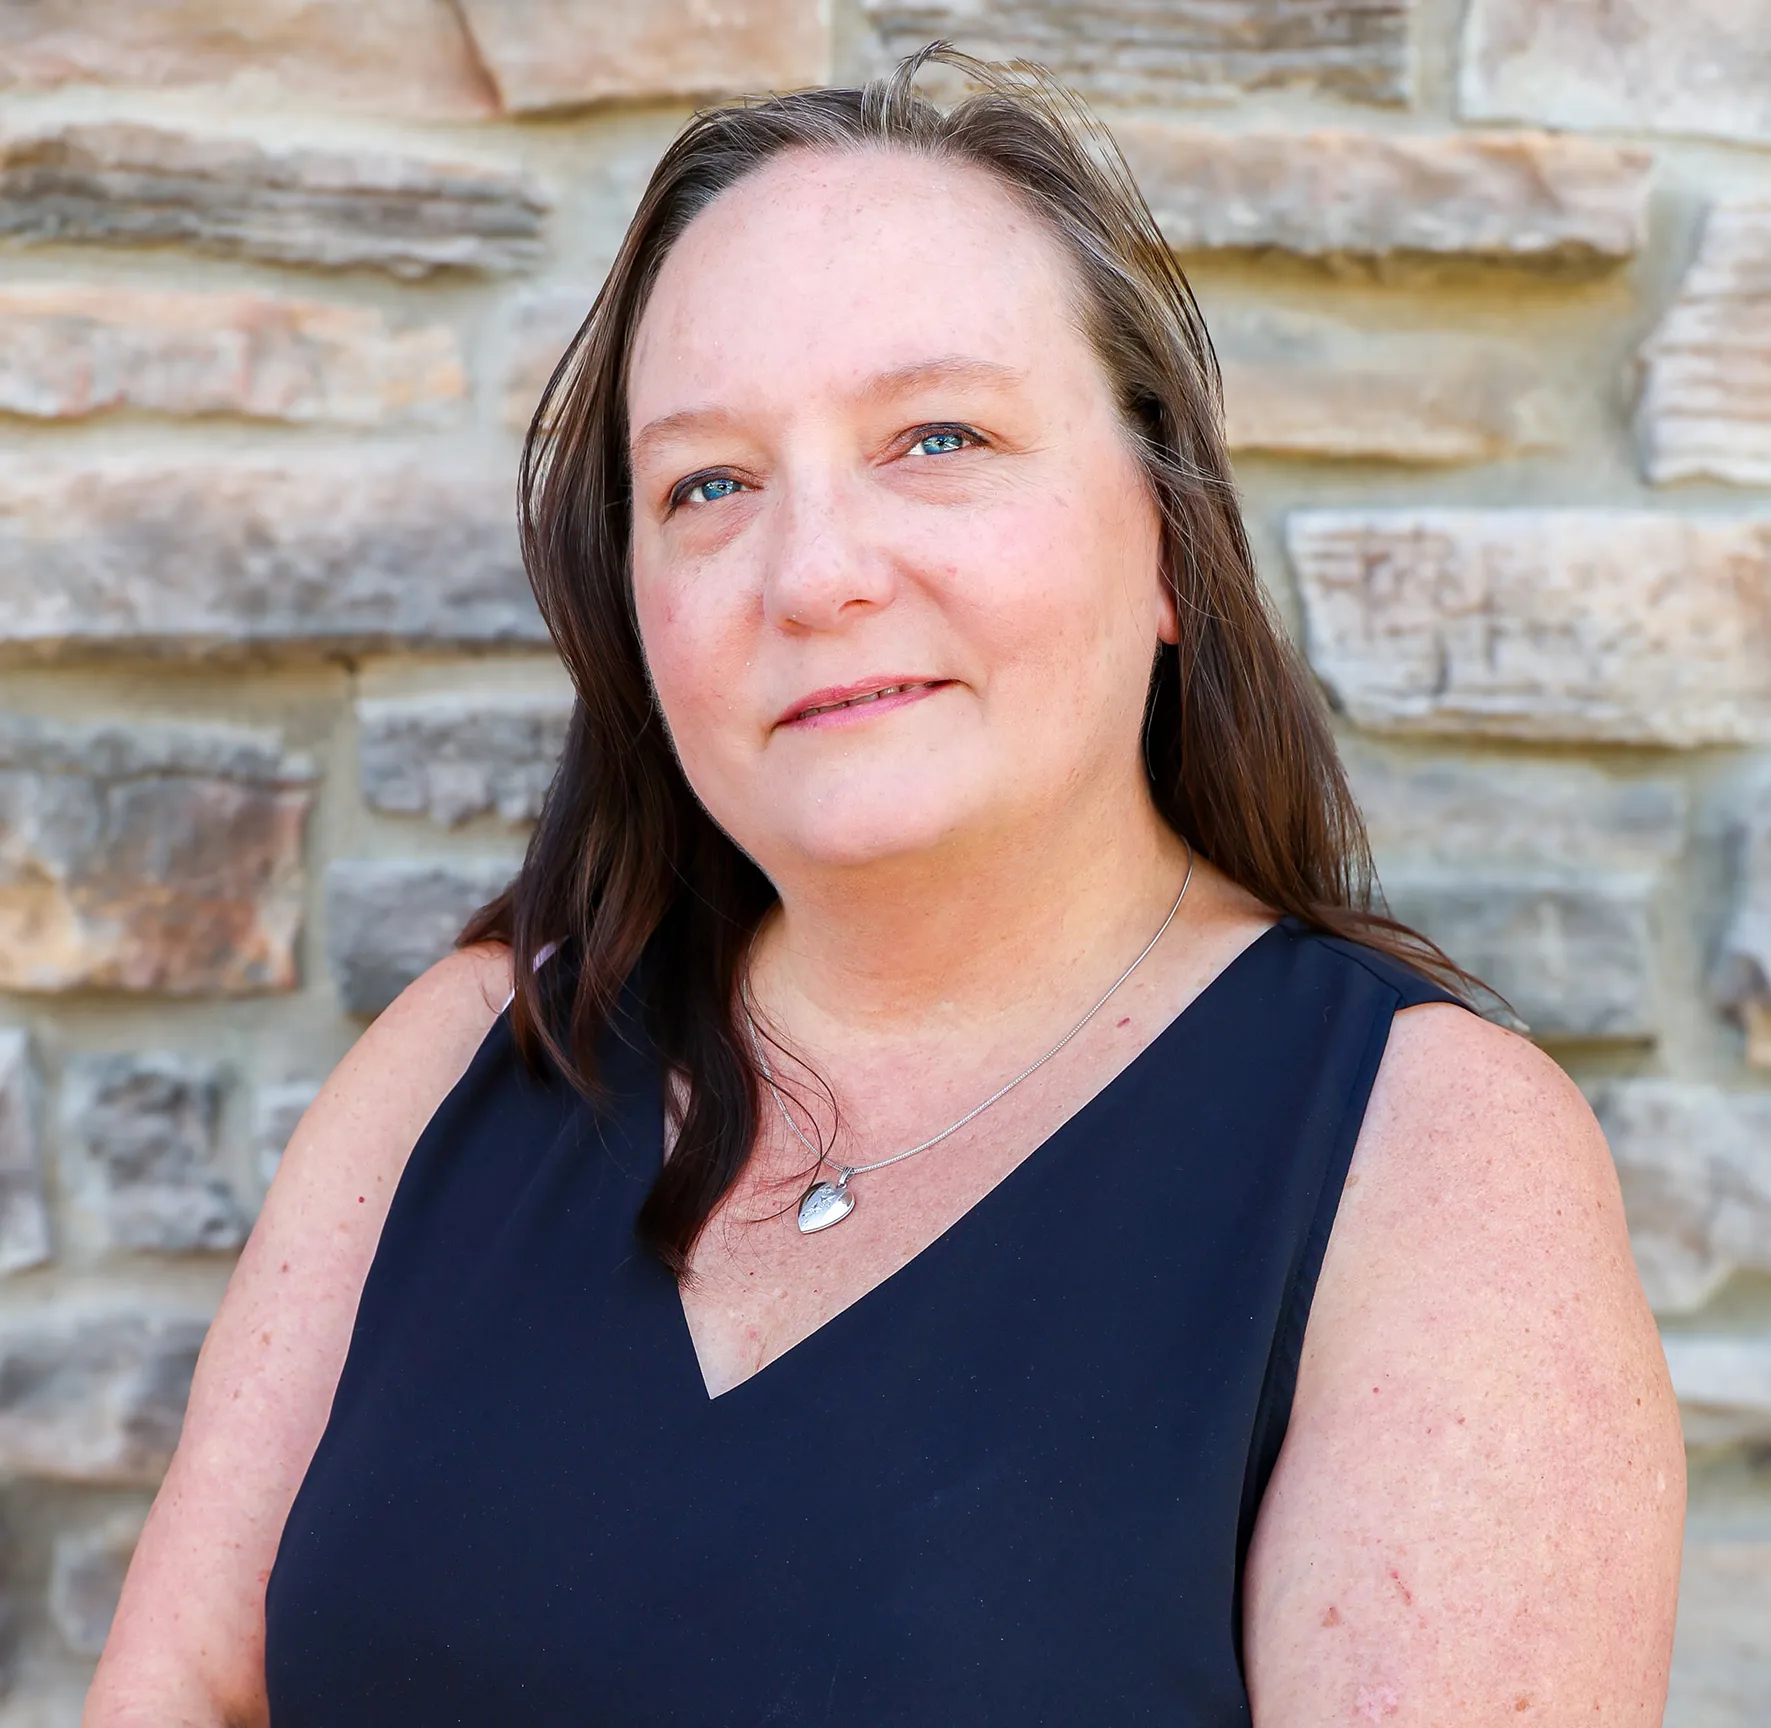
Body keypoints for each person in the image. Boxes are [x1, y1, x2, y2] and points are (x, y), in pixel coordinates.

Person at [88, 47, 1684, 1727]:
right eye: (708, 483)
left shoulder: (1423, 1153)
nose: (816, 573)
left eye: (937, 436)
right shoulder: (471, 1057)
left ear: (1161, 537)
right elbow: (181, 1691)